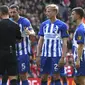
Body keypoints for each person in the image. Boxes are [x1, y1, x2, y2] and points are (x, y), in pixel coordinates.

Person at [37, 4, 69, 85]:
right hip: (45, 55)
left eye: (49, 11)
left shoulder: (62, 25)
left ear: (55, 12)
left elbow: (65, 43)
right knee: (43, 76)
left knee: (56, 76)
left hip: (56, 55)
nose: (47, 13)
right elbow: (40, 41)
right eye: (46, 11)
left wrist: (63, 57)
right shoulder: (44, 24)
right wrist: (38, 55)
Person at [9, 4, 35, 85]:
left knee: (23, 75)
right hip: (11, 53)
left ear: (18, 11)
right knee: (13, 76)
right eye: (11, 12)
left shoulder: (24, 21)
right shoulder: (8, 22)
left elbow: (32, 33)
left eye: (14, 12)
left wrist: (30, 33)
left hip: (23, 52)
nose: (12, 14)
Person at [0, 5, 22, 85]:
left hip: (0, 52)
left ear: (1, 13)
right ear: (8, 12)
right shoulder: (15, 25)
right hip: (11, 52)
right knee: (13, 76)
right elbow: (19, 39)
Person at [71, 7, 85, 85]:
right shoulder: (80, 27)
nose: (71, 16)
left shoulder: (80, 29)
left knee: (80, 79)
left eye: (73, 14)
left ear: (78, 15)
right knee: (76, 79)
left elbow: (80, 45)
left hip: (82, 57)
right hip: (79, 57)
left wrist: (78, 60)